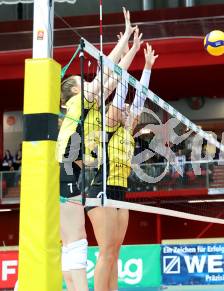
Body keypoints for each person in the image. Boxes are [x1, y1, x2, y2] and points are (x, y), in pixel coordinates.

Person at [57, 8, 137, 291]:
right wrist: (124, 38)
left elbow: (115, 76)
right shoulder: (77, 104)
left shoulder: (87, 105)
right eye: (83, 83)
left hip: (78, 170)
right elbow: (105, 74)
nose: (89, 85)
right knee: (74, 242)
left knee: (74, 242)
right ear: (74, 92)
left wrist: (129, 50)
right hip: (67, 167)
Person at [86, 42, 157, 291]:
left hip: (120, 192)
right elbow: (121, 98)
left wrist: (147, 67)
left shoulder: (127, 130)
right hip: (101, 191)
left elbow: (139, 99)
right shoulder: (108, 127)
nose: (128, 109)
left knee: (115, 252)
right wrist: (130, 54)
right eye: (122, 108)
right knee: (106, 252)